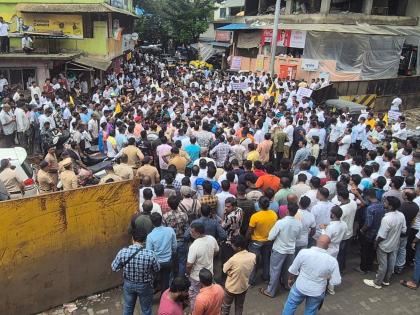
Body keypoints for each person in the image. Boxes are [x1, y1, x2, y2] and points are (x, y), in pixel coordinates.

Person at [282, 235, 341, 315]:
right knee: (310, 311)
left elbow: (293, 269)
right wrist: (327, 277)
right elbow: (336, 281)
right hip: (317, 291)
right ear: (328, 245)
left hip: (300, 286)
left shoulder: (304, 252)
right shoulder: (332, 261)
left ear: (316, 241)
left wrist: (290, 279)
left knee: (290, 305)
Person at [111, 228, 160, 315]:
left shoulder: (123, 252)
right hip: (145, 285)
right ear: (145, 239)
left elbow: (114, 268)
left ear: (132, 238)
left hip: (129, 284)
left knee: (128, 308)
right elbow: (157, 269)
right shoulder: (150, 254)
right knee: (146, 310)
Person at [364, 196, 406, 289]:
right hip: (395, 243)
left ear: (390, 206)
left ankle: (377, 282)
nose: (384, 204)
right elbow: (404, 230)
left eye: (386, 203)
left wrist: (376, 243)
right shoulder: (401, 215)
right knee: (391, 262)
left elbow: (382, 235)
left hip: (384, 244)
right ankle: (386, 280)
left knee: (382, 265)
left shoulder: (386, 219)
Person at [261, 203, 302, 298]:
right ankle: (287, 285)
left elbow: (271, 237)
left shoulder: (281, 222)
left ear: (287, 211)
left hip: (279, 250)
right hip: (291, 250)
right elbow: (298, 237)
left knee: (275, 270)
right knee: (288, 270)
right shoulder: (299, 223)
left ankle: (270, 291)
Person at [186, 222, 219, 310]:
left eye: (192, 232)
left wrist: (188, 274)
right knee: (208, 294)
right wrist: (209, 257)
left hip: (196, 277)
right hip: (209, 274)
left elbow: (189, 265)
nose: (190, 233)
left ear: (198, 233)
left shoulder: (194, 246)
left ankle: (196, 311)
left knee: (195, 296)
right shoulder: (212, 239)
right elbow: (216, 251)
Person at [247, 196, 278, 285]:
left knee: (253, 261)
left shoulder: (255, 216)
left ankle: (251, 280)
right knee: (266, 258)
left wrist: (246, 239)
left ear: (259, 205)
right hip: (269, 241)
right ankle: (266, 276)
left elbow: (250, 230)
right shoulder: (273, 214)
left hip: (256, 241)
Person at [221, 235, 256, 315]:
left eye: (233, 245)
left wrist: (230, 272)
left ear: (239, 248)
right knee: (239, 307)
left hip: (231, 288)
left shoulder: (233, 259)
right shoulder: (252, 256)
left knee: (226, 307)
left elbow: (224, 269)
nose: (232, 246)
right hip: (243, 287)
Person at [146, 212, 177, 293]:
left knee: (155, 278)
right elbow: (174, 246)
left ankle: (154, 289)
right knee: (166, 281)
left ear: (152, 223)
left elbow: (149, 252)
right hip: (168, 261)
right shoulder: (170, 230)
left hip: (156, 263)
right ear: (162, 220)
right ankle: (164, 298)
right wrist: (172, 254)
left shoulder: (150, 236)